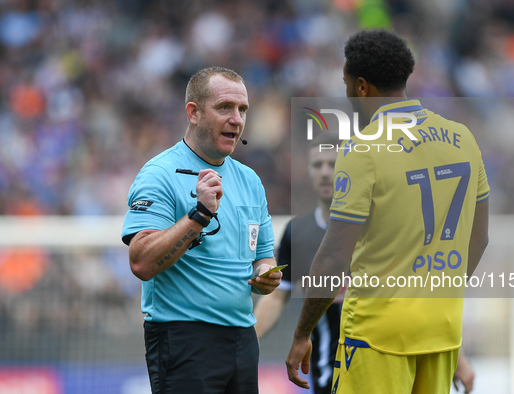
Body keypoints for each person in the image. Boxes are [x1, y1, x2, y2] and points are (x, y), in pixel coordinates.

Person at [285, 29, 489, 394]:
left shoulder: (362, 149)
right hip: (441, 330)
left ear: (362, 87)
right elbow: (481, 237)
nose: (346, 94)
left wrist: (302, 333)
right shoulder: (463, 139)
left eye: (346, 83)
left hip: (376, 335)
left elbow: (333, 257)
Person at [121, 66, 282, 394]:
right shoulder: (159, 174)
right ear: (193, 113)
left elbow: (263, 257)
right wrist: (199, 214)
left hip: (242, 338)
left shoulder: (250, 180)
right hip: (183, 339)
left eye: (243, 110)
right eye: (225, 107)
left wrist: (267, 275)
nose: (237, 119)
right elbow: (141, 262)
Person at [254, 132, 343, 394]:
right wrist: (248, 343)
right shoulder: (298, 232)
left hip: (380, 367)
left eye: (334, 164)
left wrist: (457, 357)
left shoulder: (377, 229)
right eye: (318, 165)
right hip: (326, 373)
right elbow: (277, 297)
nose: (325, 172)